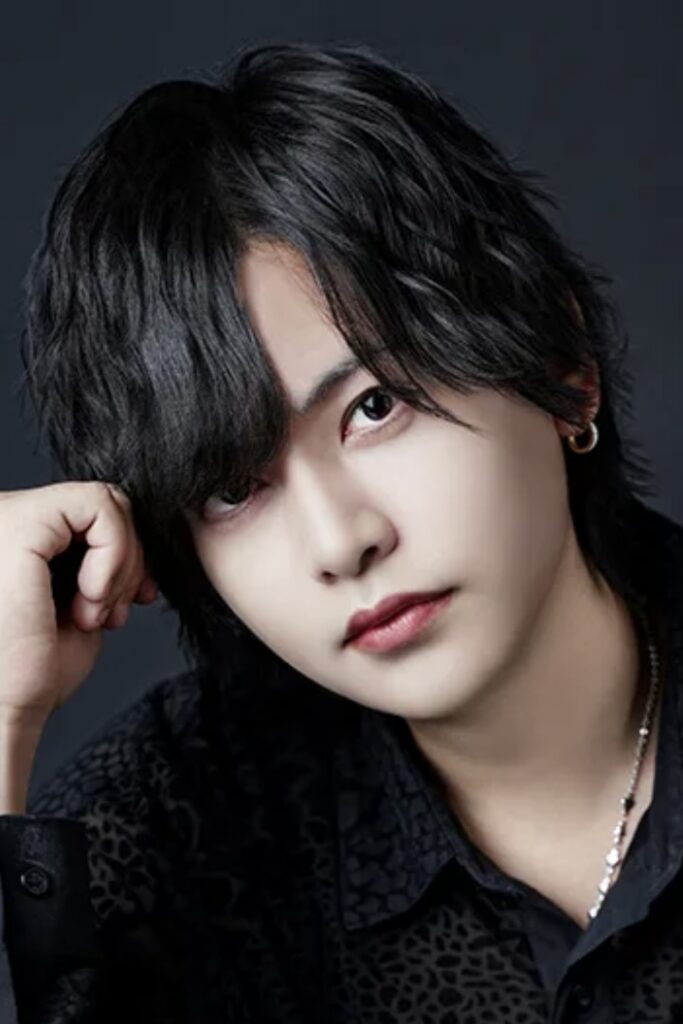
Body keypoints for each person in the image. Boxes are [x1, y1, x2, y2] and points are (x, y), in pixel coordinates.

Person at [0, 39, 681, 1024]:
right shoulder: (159, 837)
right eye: (231, 487)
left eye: (373, 407)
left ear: (562, 367)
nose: (337, 541)